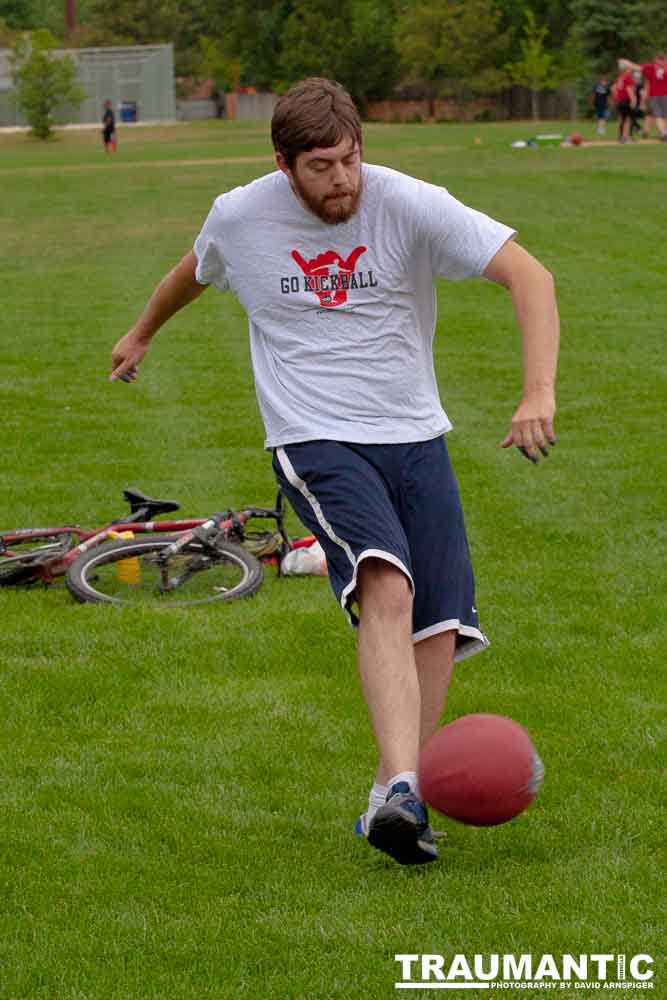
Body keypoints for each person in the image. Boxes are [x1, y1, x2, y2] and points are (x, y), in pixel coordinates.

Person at [109, 78, 560, 867]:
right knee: (386, 580)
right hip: (313, 432)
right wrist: (142, 331)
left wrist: (537, 393)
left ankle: (393, 794)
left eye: (349, 160)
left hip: (414, 432)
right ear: (283, 163)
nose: (341, 179)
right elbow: (195, 269)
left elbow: (530, 276)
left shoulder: (408, 202)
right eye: (320, 167)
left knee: (438, 624)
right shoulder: (240, 215)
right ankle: (404, 788)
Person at [619, 53, 667, 140]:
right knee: (664, 116)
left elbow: (636, 67)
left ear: (656, 60)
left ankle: (664, 133)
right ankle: (663, 133)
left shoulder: (651, 67)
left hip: (655, 95)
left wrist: (626, 62)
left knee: (658, 116)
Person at [612, 68, 636, 143]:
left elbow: (613, 88)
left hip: (620, 101)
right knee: (628, 119)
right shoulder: (628, 78)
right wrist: (633, 100)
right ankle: (627, 137)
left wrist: (616, 98)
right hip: (626, 100)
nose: (631, 71)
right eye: (629, 69)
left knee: (622, 119)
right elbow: (629, 89)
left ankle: (621, 137)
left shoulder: (620, 78)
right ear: (626, 70)